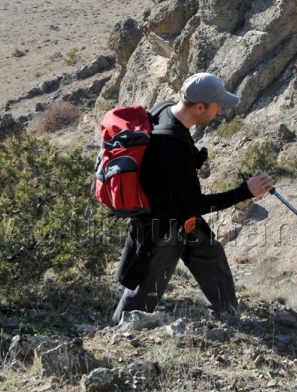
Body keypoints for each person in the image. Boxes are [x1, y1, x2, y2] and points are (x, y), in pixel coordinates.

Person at [112, 72, 274, 325]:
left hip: (181, 215)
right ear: (200, 107)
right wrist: (246, 192)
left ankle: (229, 319)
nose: (220, 111)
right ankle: (117, 333)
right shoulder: (173, 145)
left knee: (211, 255)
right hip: (162, 227)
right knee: (142, 296)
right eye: (218, 106)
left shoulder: (166, 108)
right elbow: (196, 203)